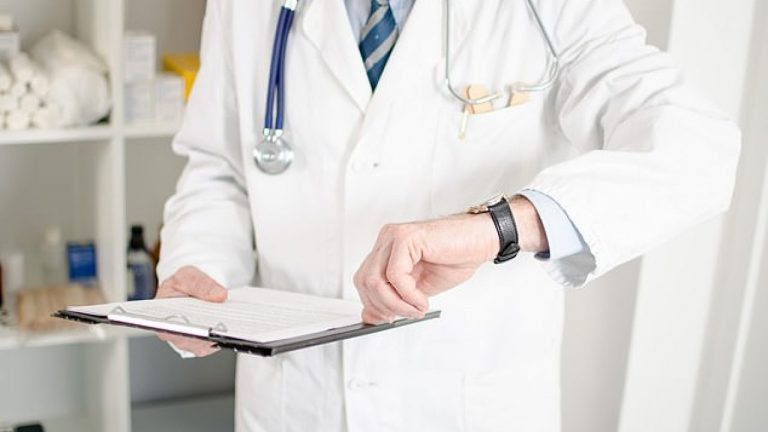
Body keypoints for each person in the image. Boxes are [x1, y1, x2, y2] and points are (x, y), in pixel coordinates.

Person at [155, 0, 741, 430]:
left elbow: (697, 149)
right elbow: (219, 166)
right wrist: (197, 268)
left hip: (466, 401)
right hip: (297, 402)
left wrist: (501, 226)